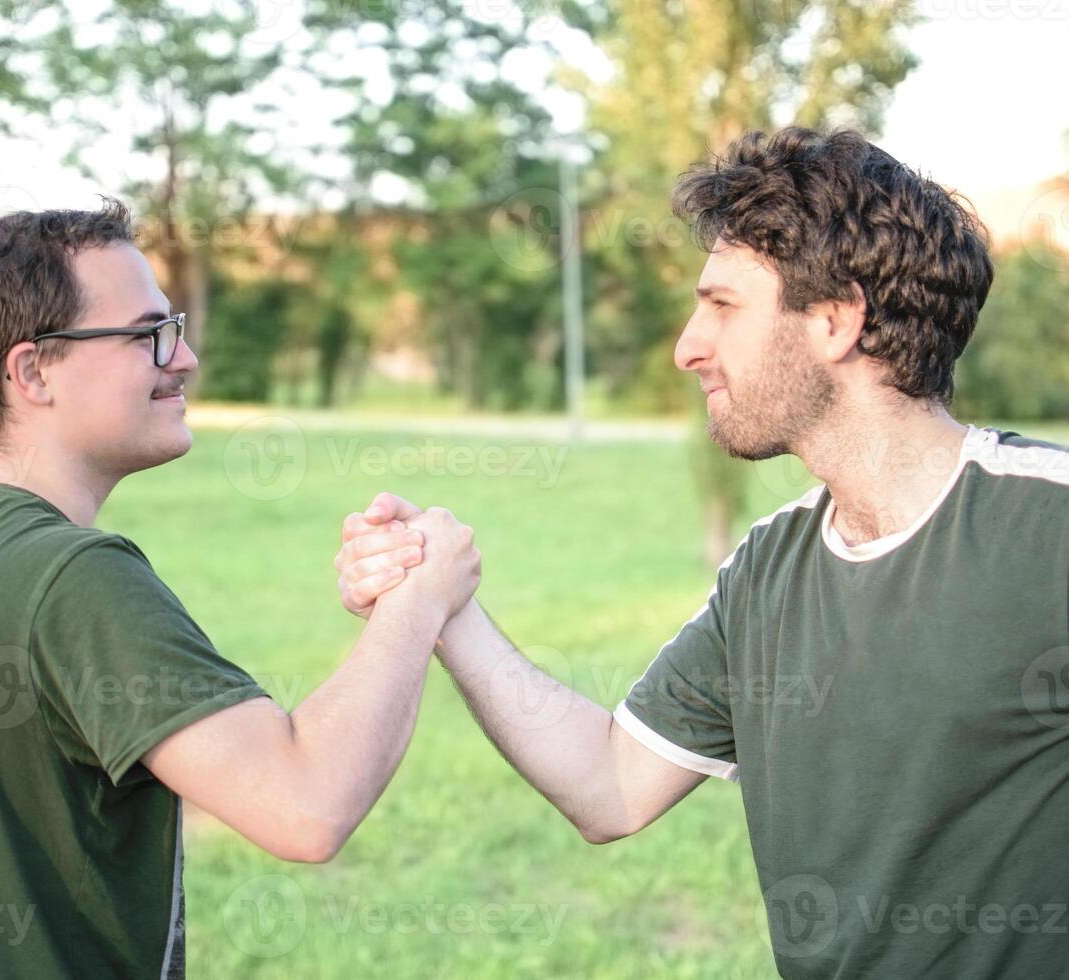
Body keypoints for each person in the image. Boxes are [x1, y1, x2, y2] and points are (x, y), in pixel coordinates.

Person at [334, 128, 1069, 979]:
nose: (688, 345)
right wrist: (444, 609)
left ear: (836, 320)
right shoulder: (770, 570)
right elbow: (610, 785)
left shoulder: (1045, 528)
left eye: (722, 306)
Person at [0, 200, 479, 979]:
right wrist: (420, 600)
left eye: (175, 327)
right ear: (31, 372)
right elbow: (307, 805)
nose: (183, 359)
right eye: (148, 335)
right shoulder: (72, 579)